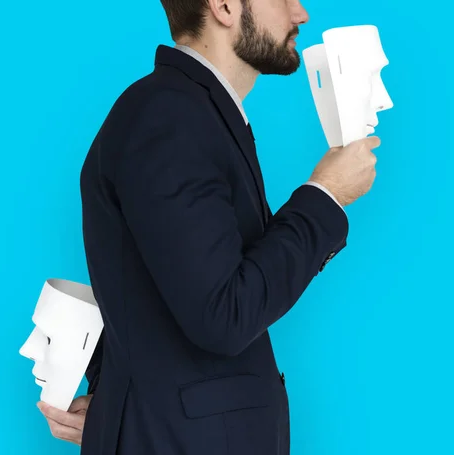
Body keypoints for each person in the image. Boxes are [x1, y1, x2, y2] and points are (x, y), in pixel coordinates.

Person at [37, 0, 380, 453]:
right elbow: (224, 315)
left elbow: (160, 290)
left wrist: (119, 408)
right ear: (223, 6)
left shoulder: (195, 113)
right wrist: (327, 193)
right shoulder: (169, 117)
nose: (300, 13)